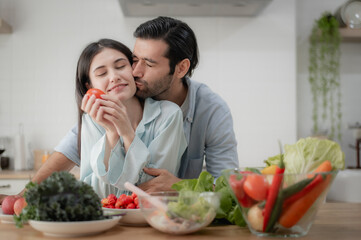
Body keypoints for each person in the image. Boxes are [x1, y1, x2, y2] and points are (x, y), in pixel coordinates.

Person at [0, 16, 238, 203]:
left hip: (180, 216)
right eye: (134, 59)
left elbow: (229, 187)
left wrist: (180, 185)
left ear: (181, 68)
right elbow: (71, 150)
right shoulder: (117, 104)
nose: (135, 71)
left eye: (149, 64)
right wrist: (21, 197)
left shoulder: (210, 111)